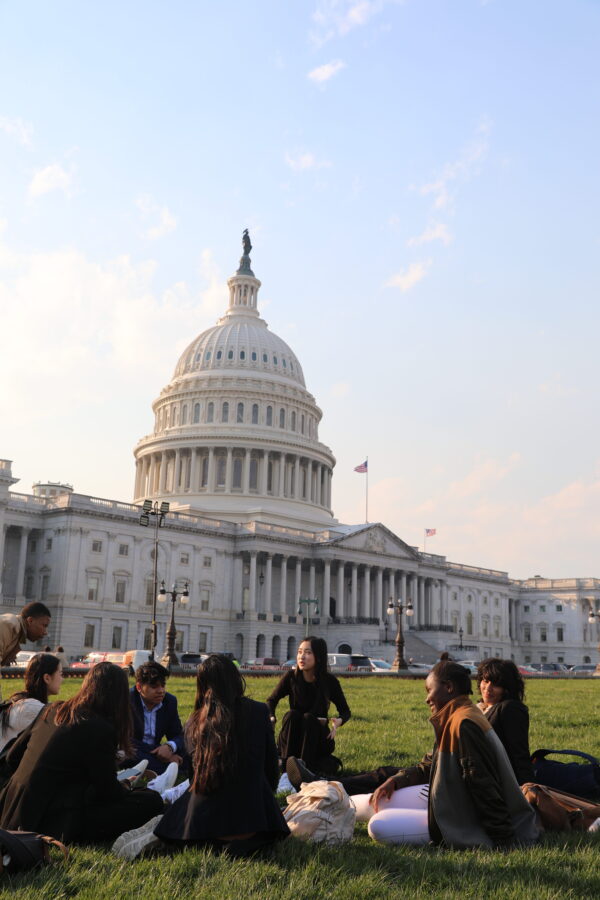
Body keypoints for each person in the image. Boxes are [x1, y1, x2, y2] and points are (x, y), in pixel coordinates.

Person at [113, 654, 289, 859]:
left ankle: (164, 829)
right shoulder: (259, 711)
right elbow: (270, 767)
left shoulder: (197, 721)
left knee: (182, 805)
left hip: (204, 824)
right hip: (254, 824)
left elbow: (195, 776)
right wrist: (265, 800)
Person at [358, 661, 539, 848]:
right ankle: (330, 799)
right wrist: (396, 781)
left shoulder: (465, 723)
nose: (427, 699)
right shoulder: (458, 714)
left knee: (377, 826)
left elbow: (483, 784)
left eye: (429, 690)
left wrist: (503, 839)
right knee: (371, 803)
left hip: (464, 818)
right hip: (450, 798)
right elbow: (430, 764)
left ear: (449, 687)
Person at [0, 662, 164, 842]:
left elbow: (13, 757)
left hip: (10, 808)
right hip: (53, 821)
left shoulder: (51, 709)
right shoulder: (99, 728)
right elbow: (108, 793)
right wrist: (125, 786)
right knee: (151, 800)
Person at [267, 636, 350, 774]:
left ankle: (304, 771)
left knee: (309, 719)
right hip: (292, 736)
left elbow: (345, 711)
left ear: (318, 657)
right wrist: (271, 717)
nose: (302, 657)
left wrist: (338, 722)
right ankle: (286, 771)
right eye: (300, 652)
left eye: (308, 653)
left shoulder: (329, 681)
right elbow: (271, 700)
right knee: (291, 715)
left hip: (316, 739)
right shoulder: (291, 677)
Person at [476, 658, 535, 785]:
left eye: (496, 684)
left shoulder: (510, 709)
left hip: (498, 784)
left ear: (507, 688)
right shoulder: (478, 708)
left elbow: (519, 754)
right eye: (485, 681)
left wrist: (527, 789)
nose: (488, 688)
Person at [126, 661, 184, 775]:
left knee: (190, 753)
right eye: (154, 686)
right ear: (139, 687)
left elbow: (178, 735)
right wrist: (158, 752)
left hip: (160, 751)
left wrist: (169, 747)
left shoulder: (169, 701)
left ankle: (155, 769)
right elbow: (123, 739)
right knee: (129, 754)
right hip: (134, 750)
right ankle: (166, 769)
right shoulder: (127, 700)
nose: (161, 691)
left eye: (163, 685)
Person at [0, 653, 63, 755]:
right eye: (60, 674)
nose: (62, 679)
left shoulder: (23, 701)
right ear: (47, 678)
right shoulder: (31, 708)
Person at [0, 602, 51, 697]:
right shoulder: (9, 625)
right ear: (30, 621)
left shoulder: (14, 629)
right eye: (44, 625)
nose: (45, 632)